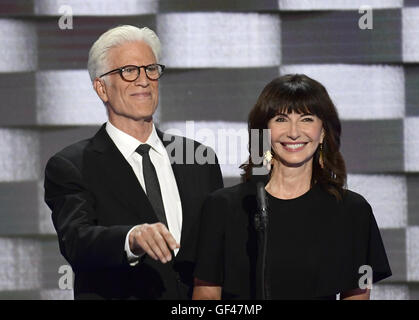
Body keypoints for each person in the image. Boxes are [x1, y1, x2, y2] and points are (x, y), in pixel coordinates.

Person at [44, 25, 223, 300]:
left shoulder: (199, 159)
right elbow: (76, 241)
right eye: (129, 71)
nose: (144, 80)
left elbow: (217, 250)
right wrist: (132, 238)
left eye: (151, 69)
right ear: (102, 88)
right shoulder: (71, 166)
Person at [192, 74, 392, 300]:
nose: (294, 132)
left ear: (323, 131)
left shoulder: (353, 211)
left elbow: (358, 294)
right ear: (263, 132)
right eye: (281, 119)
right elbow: (206, 293)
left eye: (306, 119)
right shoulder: (223, 207)